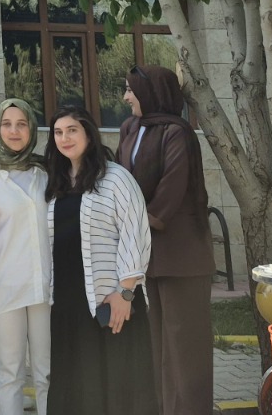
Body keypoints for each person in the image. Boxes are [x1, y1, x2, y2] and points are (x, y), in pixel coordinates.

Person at [46, 104, 157, 415]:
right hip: (68, 304)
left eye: (72, 130)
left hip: (110, 301)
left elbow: (136, 234)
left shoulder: (116, 178)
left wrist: (125, 293)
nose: (65, 138)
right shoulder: (55, 182)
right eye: (58, 132)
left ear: (89, 134)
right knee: (76, 387)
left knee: (118, 386)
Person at [116, 66, 214, 415]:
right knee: (158, 345)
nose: (126, 97)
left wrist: (133, 222)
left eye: (131, 90)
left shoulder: (178, 133)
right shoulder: (130, 129)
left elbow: (171, 189)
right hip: (148, 256)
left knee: (185, 349)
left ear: (152, 92)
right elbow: (119, 179)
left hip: (182, 255)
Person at [0, 100, 51, 415]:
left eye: (22, 124)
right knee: (9, 371)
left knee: (48, 371)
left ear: (32, 127)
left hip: (46, 286)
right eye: (7, 124)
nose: (14, 131)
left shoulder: (45, 172)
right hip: (2, 286)